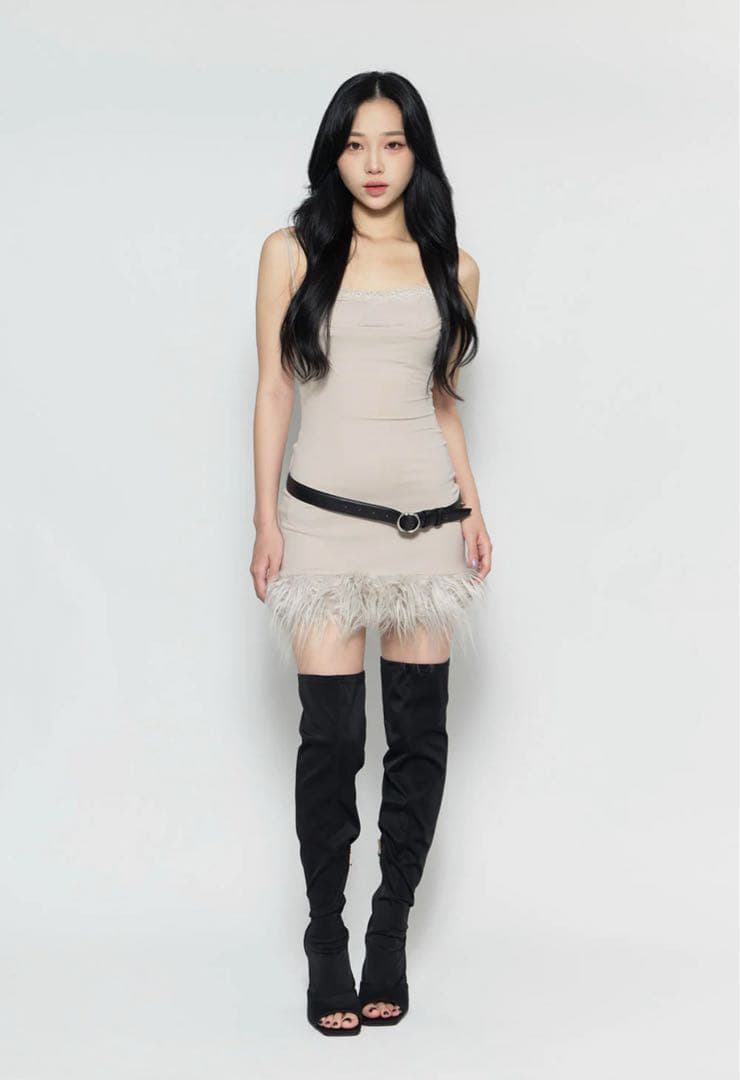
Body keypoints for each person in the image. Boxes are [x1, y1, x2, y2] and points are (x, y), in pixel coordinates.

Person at [250, 71, 493, 1036]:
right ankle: (326, 938)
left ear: (416, 152)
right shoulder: (292, 251)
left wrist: (474, 509)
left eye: (392, 143)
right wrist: (264, 520)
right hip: (319, 521)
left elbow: (441, 403)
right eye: (356, 144)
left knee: (419, 737)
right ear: (335, 154)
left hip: (426, 527)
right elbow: (274, 390)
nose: (374, 163)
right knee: (334, 741)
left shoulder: (453, 267)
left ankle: (387, 929)